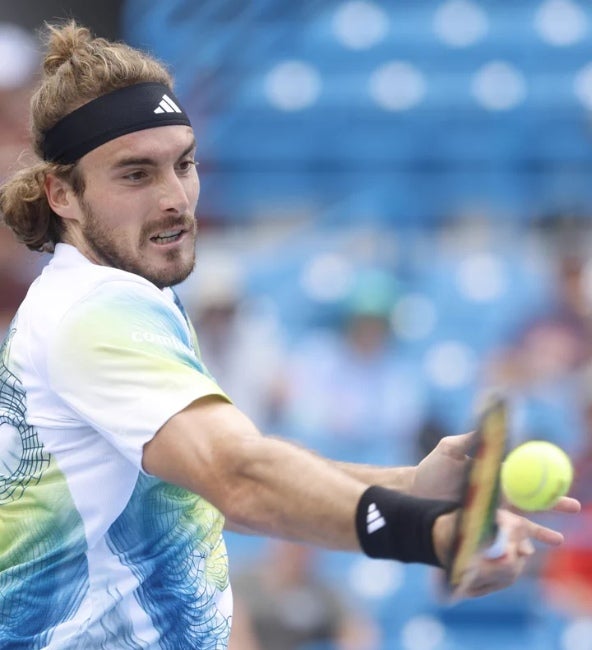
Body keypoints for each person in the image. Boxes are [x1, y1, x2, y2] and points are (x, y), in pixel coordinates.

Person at [0, 21, 579, 650]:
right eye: (136, 175)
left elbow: (196, 498)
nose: (175, 198)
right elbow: (239, 476)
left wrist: (409, 485)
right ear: (62, 194)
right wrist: (432, 532)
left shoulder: (106, 302)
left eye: (184, 165)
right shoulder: (97, 313)